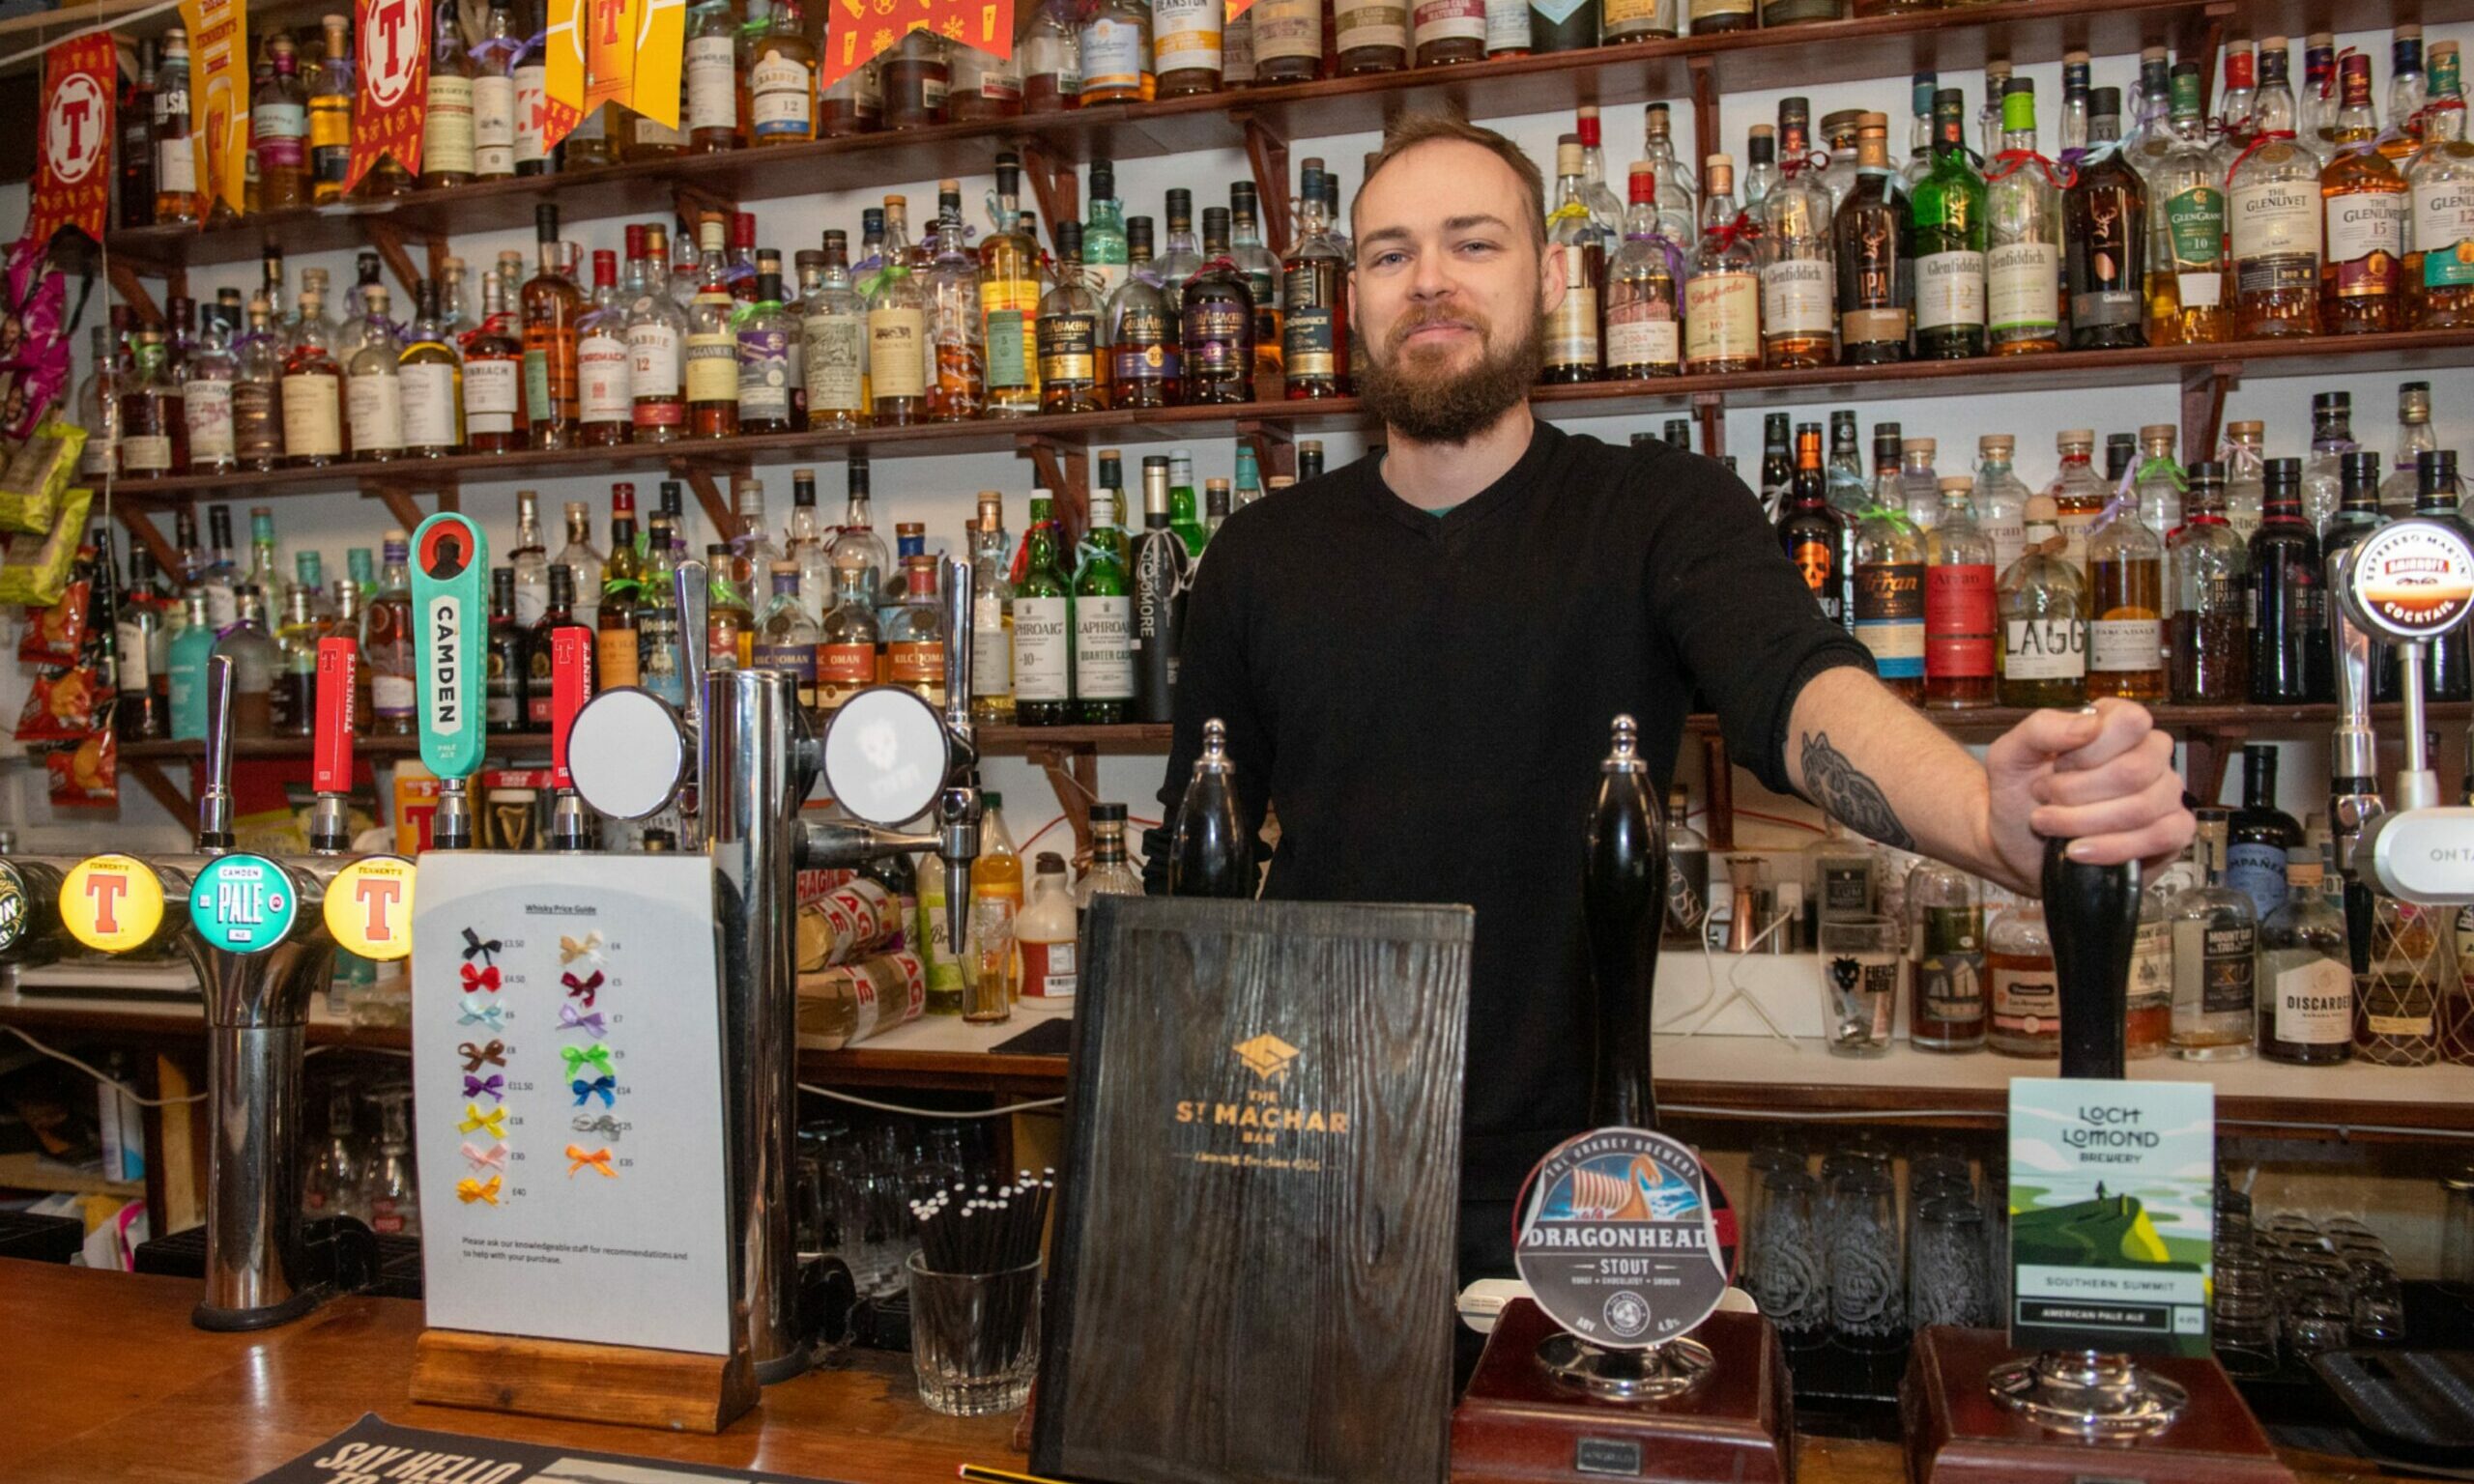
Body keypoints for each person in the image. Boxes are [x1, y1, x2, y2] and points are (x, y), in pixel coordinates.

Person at [1145, 114, 2194, 1285]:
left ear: (1551, 277)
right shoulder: (1259, 557)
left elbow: (1798, 691)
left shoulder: (1655, 510)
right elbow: (1197, 887)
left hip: (1589, 1169)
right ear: (1354, 302)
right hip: (1310, 1155)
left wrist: (1987, 817)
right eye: (1389, 255)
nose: (1428, 280)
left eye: (1471, 243)